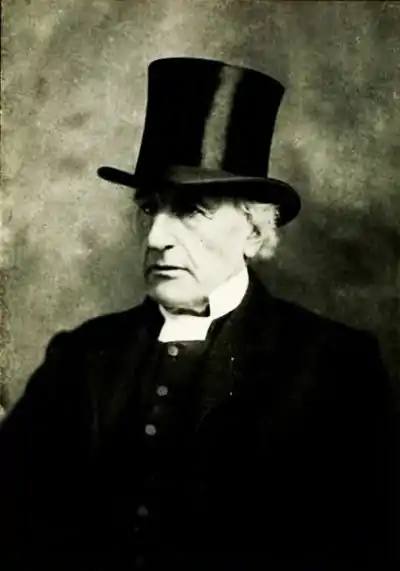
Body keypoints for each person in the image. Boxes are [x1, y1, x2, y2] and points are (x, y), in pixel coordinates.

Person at [1, 57, 397, 570]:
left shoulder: (334, 365)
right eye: (150, 207)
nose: (157, 236)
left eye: (191, 210)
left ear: (253, 231)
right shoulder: (80, 355)